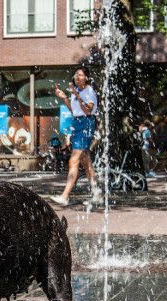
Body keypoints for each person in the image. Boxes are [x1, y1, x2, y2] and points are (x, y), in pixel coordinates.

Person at [50, 66, 102, 206]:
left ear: (86, 77)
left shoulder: (89, 91)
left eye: (81, 75)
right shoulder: (76, 91)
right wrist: (65, 98)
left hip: (86, 123)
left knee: (73, 160)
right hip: (78, 123)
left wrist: (78, 96)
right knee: (86, 162)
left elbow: (87, 111)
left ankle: (65, 196)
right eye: (76, 75)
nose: (77, 77)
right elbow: (74, 111)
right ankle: (97, 194)